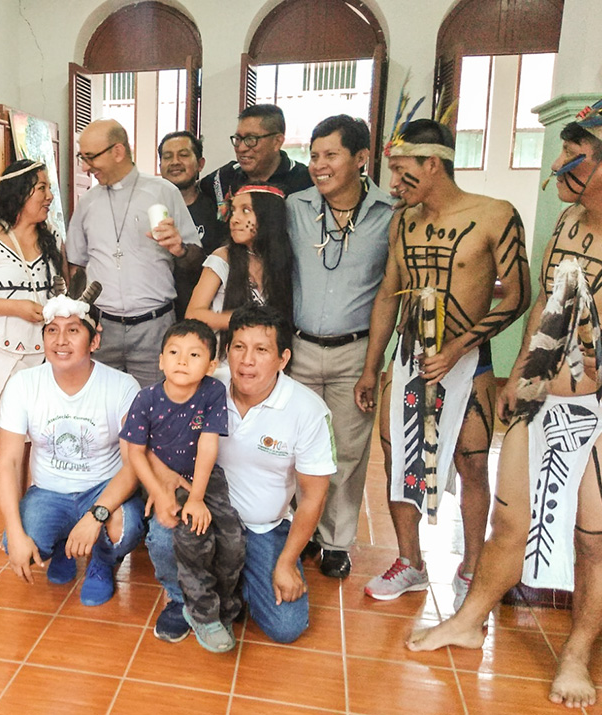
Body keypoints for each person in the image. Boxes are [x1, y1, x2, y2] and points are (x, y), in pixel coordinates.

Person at [405, 99, 602, 709]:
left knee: (597, 540)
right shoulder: (569, 225)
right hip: (541, 402)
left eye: (572, 156)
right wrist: (520, 375)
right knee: (508, 523)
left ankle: (577, 654)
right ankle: (468, 620)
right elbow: (547, 309)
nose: (558, 165)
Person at [353, 117, 530, 605]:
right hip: (409, 359)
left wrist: (457, 348)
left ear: (433, 164)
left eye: (402, 170)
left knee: (471, 464)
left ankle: (472, 568)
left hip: (468, 362)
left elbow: (517, 296)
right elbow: (389, 294)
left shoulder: (496, 215)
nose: (393, 183)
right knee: (398, 461)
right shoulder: (402, 220)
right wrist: (373, 365)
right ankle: (410, 560)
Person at [145, 305, 336, 643]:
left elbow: (313, 497)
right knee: (163, 534)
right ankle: (181, 598)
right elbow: (144, 433)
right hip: (201, 514)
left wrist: (287, 563)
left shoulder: (307, 411)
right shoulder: (201, 386)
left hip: (262, 528)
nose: (247, 360)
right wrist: (166, 478)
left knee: (286, 627)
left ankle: (232, 585)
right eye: (238, 347)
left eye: (261, 350)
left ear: (283, 358)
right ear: (226, 351)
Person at [286, 115, 394, 579]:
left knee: (348, 450)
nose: (318, 165)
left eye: (330, 155)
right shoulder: (294, 208)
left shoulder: (390, 215)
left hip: (356, 353)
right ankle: (302, 530)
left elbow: (391, 294)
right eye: (313, 155)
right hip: (299, 347)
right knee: (295, 445)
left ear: (361, 158)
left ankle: (335, 541)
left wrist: (373, 367)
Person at [0, 286, 147, 606]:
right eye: (52, 330)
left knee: (125, 527)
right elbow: (7, 463)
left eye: (73, 330)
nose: (60, 340)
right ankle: (65, 542)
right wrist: (16, 531)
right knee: (16, 540)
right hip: (49, 492)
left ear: (94, 341)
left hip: (102, 490)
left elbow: (133, 465)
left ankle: (102, 563)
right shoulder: (23, 385)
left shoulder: (121, 386)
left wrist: (96, 516)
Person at [121, 319, 245, 652]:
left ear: (211, 365)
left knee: (230, 536)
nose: (182, 361)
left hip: (204, 477)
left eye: (194, 354)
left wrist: (198, 497)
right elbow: (134, 452)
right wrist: (161, 495)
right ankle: (184, 602)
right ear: (161, 360)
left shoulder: (212, 392)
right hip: (160, 478)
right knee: (175, 535)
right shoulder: (146, 398)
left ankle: (223, 602)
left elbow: (208, 445)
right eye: (174, 353)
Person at [67, 118, 202, 387]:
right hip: (102, 329)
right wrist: (80, 318)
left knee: (155, 410)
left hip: (154, 327)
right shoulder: (87, 203)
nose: (84, 167)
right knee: (102, 412)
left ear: (118, 152)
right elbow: (77, 267)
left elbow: (197, 258)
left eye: (90, 157)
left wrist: (180, 249)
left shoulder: (164, 192)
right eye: (82, 157)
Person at [0, 159, 66, 451]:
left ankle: (34, 497)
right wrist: (16, 307)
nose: (49, 196)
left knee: (43, 440)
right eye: (41, 188)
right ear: (19, 193)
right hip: (1, 353)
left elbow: (62, 288)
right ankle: (12, 499)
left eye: (48, 188)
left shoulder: (52, 237)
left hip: (48, 353)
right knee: (12, 441)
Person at [186, 184, 292, 373]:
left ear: (268, 217)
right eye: (233, 211)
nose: (235, 219)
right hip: (224, 366)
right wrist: (245, 321)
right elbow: (193, 313)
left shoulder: (280, 261)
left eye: (246, 211)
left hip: (266, 367)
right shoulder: (222, 257)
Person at [199, 104, 313, 221]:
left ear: (277, 142)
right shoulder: (223, 178)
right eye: (238, 139)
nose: (241, 148)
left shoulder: (304, 181)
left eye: (251, 139)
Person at [158, 131, 222, 318]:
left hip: (204, 314)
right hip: (159, 314)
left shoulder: (216, 211)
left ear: (200, 164)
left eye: (184, 155)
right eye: (167, 157)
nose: (175, 162)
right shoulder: (148, 209)